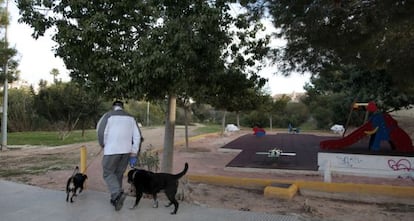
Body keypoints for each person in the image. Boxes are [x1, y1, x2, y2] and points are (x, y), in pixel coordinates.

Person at [96, 100, 142, 211]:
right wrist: (134, 152)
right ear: (122, 107)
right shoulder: (131, 118)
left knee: (107, 172)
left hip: (111, 150)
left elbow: (101, 132)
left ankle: (117, 193)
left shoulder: (108, 116)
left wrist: (102, 144)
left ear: (113, 107)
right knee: (118, 174)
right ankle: (115, 200)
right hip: (126, 151)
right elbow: (137, 136)